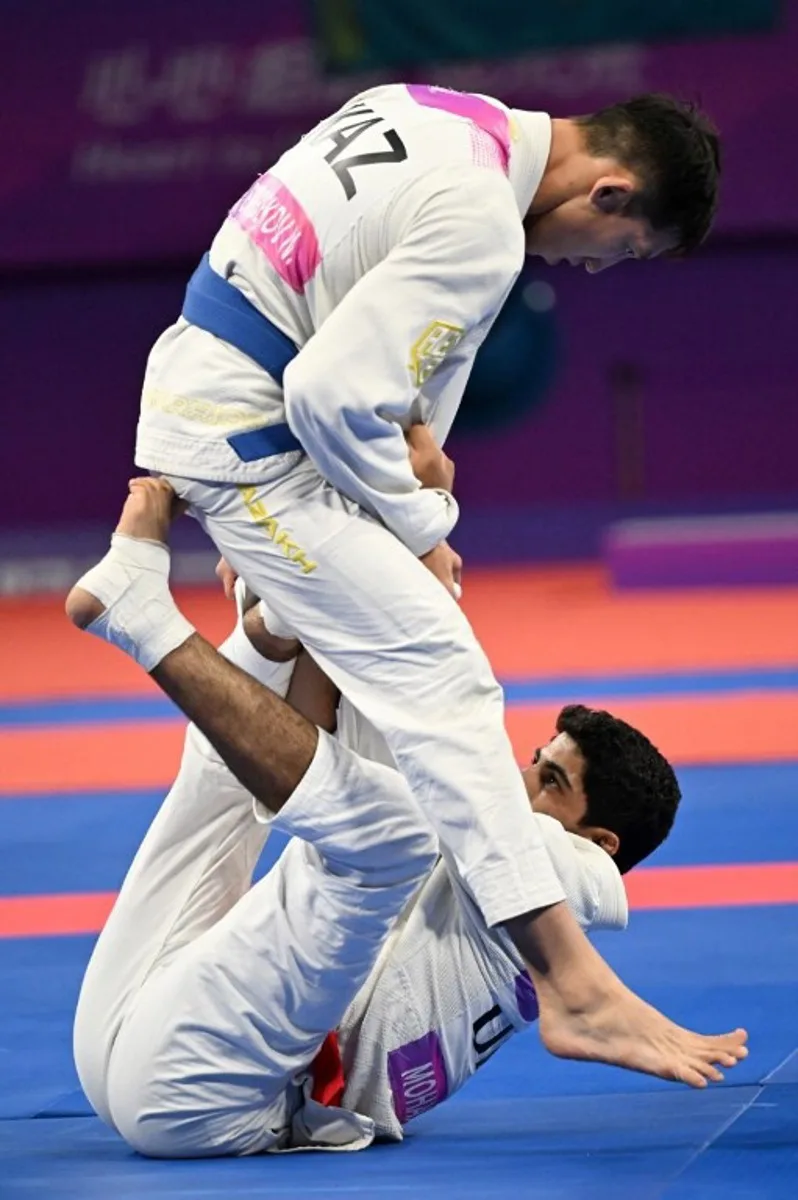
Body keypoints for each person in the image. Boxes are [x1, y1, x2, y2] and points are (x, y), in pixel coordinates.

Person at [130, 84, 729, 1071]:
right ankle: (575, 986)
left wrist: (403, 505)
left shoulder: (438, 111)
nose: (587, 265)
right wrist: (417, 521)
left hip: (213, 380)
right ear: (612, 193)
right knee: (444, 680)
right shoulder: (488, 225)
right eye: (616, 251)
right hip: (248, 430)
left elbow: (365, 332)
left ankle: (279, 612)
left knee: (393, 637)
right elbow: (330, 394)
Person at [67, 479, 746, 1156]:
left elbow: (420, 720)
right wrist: (291, 588)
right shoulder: (487, 829)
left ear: (600, 838)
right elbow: (317, 724)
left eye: (551, 783)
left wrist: (409, 558)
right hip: (134, 1033)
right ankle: (261, 615)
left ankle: (148, 621)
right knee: (233, 761)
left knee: (400, 832)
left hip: (213, 1096)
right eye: (534, 759)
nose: (517, 778)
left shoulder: (584, 879)